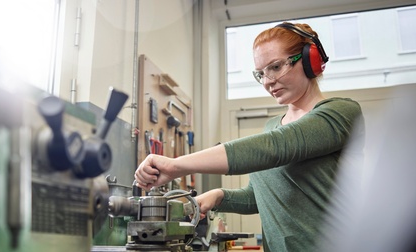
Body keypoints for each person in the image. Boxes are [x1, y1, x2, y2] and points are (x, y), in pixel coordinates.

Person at [134, 22, 364, 252]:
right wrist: (218, 196)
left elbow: (276, 147)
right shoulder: (273, 126)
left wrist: (177, 166)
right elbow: (260, 197)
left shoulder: (341, 113)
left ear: (309, 60)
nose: (267, 81)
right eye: (261, 73)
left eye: (275, 67)